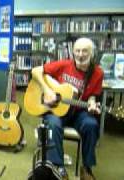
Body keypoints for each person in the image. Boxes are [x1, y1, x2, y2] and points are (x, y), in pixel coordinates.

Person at [31, 37, 103, 180]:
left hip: (78, 112)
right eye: (77, 50)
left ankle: (86, 168)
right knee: (53, 124)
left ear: (92, 53)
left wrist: (92, 103)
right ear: (73, 51)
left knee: (92, 124)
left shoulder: (97, 73)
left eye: (85, 51)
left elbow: (93, 95)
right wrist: (47, 90)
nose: (80, 54)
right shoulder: (64, 65)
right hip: (56, 111)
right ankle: (59, 168)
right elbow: (35, 71)